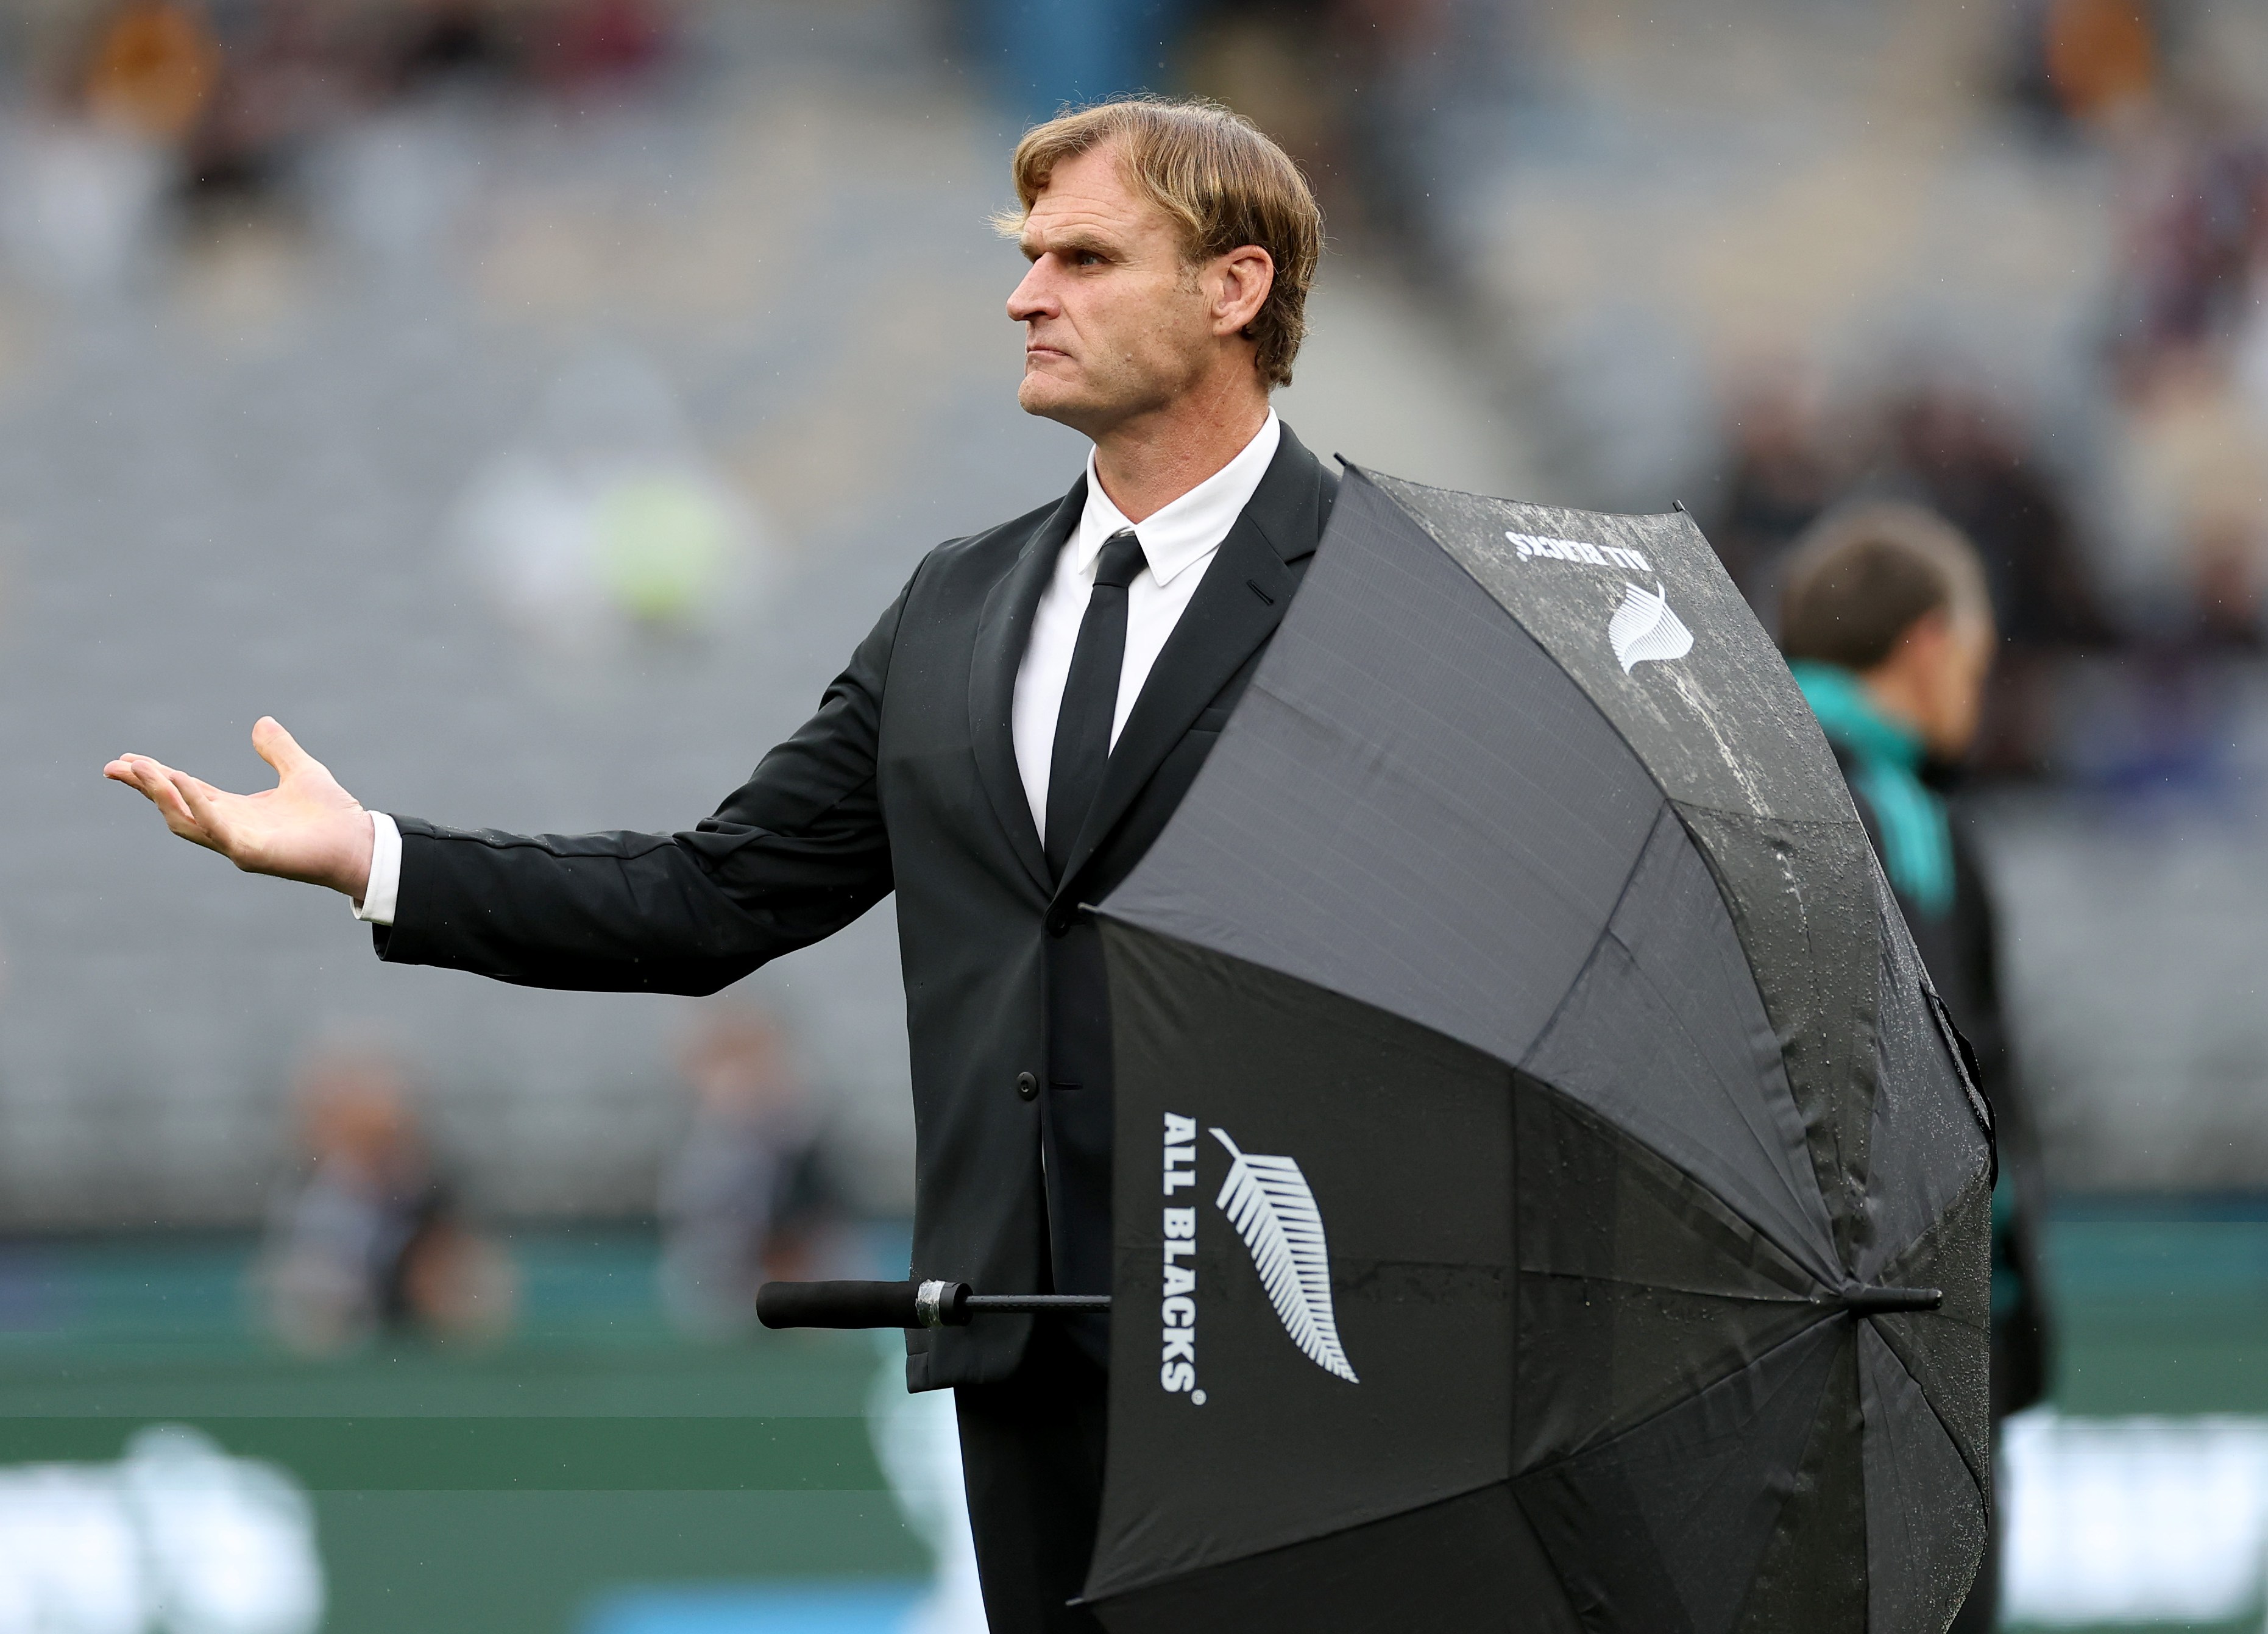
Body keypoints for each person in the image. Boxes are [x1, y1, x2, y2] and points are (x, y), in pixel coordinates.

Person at [105, 96, 1328, 1633]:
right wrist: (375, 856)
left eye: (1083, 258)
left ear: (1233, 289)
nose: (1026, 296)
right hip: (1017, 1353)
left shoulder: (1386, 597)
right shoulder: (957, 607)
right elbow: (711, 898)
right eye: (1029, 258)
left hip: (1306, 1349)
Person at [1778, 501, 2055, 1634]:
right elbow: (1952, 1109)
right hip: (1900, 1348)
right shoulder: (1890, 818)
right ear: (1929, 644)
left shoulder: (1739, 782)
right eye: (1975, 661)